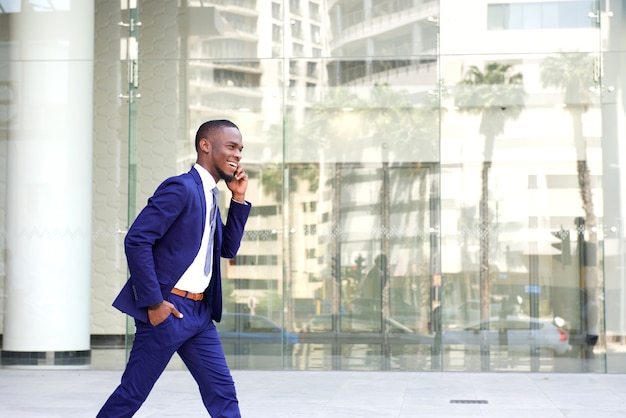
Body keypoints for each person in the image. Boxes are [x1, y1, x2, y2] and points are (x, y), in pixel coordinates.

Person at [97, 120, 251, 417]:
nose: (238, 155)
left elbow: (228, 249)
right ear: (205, 145)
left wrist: (239, 199)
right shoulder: (181, 188)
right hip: (169, 309)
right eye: (231, 147)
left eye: (240, 149)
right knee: (132, 394)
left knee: (223, 394)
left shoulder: (211, 196)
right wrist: (154, 302)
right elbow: (137, 239)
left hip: (200, 314)